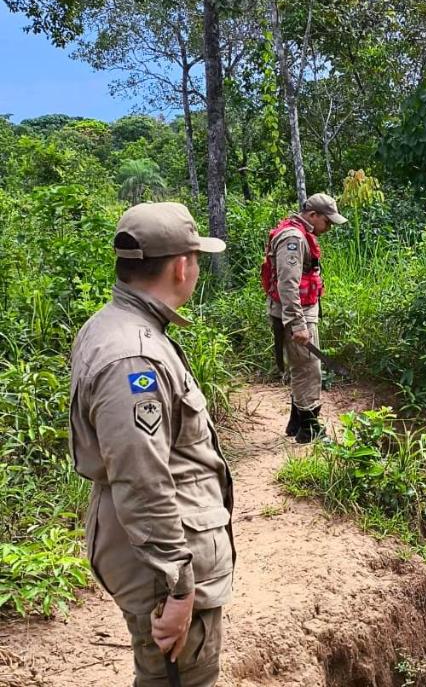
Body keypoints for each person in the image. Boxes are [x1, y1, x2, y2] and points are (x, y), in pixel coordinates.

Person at [70, 203, 233, 686]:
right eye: (197, 258)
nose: (197, 269)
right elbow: (141, 480)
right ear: (181, 266)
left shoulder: (111, 325)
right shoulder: (133, 358)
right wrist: (179, 589)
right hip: (162, 563)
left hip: (152, 549)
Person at [261, 193, 347, 443]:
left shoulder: (297, 232)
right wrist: (298, 324)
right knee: (309, 369)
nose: (329, 227)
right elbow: (288, 284)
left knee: (302, 366)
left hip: (295, 311)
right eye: (327, 222)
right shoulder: (294, 238)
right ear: (313, 215)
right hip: (295, 314)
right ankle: (309, 428)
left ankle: (296, 422)